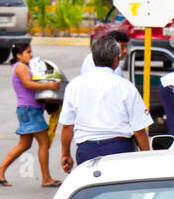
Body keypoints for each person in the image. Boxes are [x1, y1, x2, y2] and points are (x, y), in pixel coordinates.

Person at [58, 32, 151, 171]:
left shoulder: (74, 85)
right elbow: (139, 131)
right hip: (120, 150)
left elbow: (67, 127)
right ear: (116, 59)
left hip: (86, 151)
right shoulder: (125, 87)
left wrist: (65, 154)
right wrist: (147, 160)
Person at [0, 39, 61, 187]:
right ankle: (46, 178)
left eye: (31, 51)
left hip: (27, 109)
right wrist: (49, 85)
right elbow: (28, 84)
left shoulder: (23, 66)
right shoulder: (21, 67)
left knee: (24, 145)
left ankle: (0, 170)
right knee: (43, 142)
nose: (31, 54)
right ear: (18, 55)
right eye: (28, 52)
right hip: (30, 110)